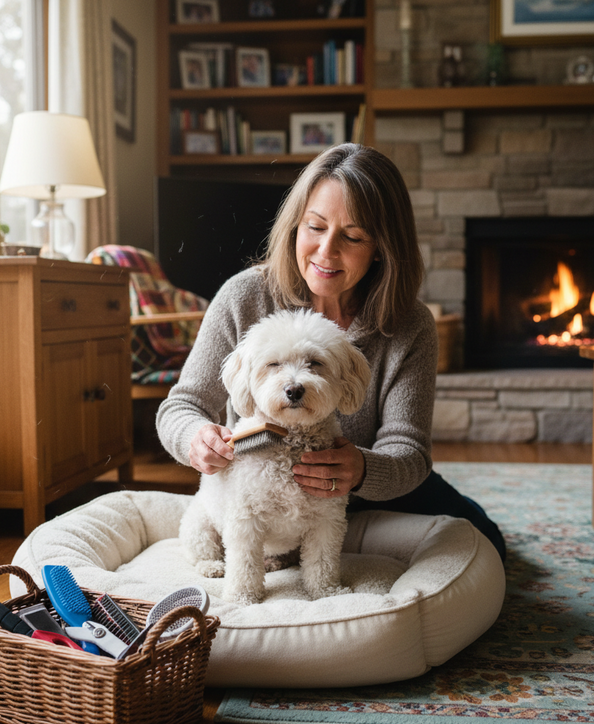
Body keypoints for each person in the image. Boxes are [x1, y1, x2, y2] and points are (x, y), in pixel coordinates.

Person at [156, 143, 506, 562]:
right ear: (295, 225)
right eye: (315, 227)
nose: (326, 252)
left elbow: (408, 451)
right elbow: (183, 406)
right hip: (262, 491)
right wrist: (194, 439)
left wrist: (361, 470)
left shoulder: (409, 324)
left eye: (353, 236)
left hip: (365, 491)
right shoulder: (243, 296)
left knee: (488, 543)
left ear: (382, 246)